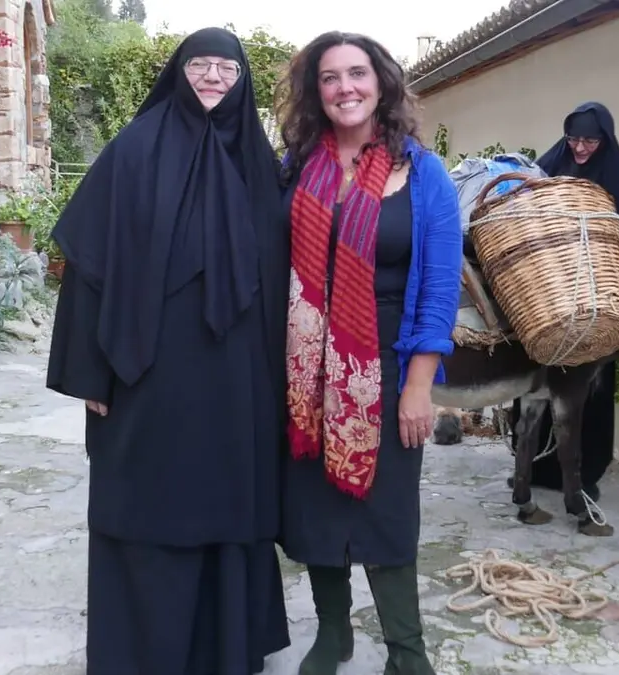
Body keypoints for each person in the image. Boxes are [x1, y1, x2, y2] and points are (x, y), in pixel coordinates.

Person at [44, 27, 290, 675]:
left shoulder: (260, 166)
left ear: (243, 81)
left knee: (229, 504)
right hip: (148, 372)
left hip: (238, 375)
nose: (213, 77)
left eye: (227, 69)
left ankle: (225, 648)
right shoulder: (135, 148)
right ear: (180, 72)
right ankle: (145, 652)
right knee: (148, 502)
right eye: (201, 66)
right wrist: (88, 371)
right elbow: (88, 266)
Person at [275, 31, 462, 675]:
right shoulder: (297, 168)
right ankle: (334, 636)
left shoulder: (423, 173)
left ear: (381, 84)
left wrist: (419, 385)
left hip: (386, 361)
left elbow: (440, 288)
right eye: (330, 77)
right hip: (304, 368)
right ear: (315, 92)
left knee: (386, 513)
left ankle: (406, 652)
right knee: (315, 508)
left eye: (357, 73)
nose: (345, 88)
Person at [507, 101, 619, 502]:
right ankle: (532, 467)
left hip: (591, 295)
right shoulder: (550, 166)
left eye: (589, 140)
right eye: (574, 139)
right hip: (547, 294)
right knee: (536, 380)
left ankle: (582, 474)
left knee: (587, 387)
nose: (581, 148)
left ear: (605, 140)